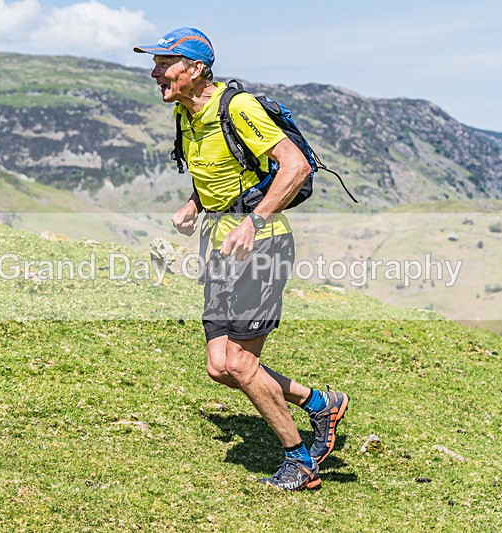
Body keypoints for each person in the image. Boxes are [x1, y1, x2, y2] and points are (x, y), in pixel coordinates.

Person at [134, 27, 348, 491]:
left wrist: (254, 220)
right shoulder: (188, 116)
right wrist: (194, 205)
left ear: (194, 69)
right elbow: (219, 169)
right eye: (154, 64)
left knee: (240, 364)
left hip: (262, 247)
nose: (155, 73)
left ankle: (300, 460)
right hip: (218, 248)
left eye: (163, 64)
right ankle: (319, 403)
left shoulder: (239, 107)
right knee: (219, 365)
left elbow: (295, 166)